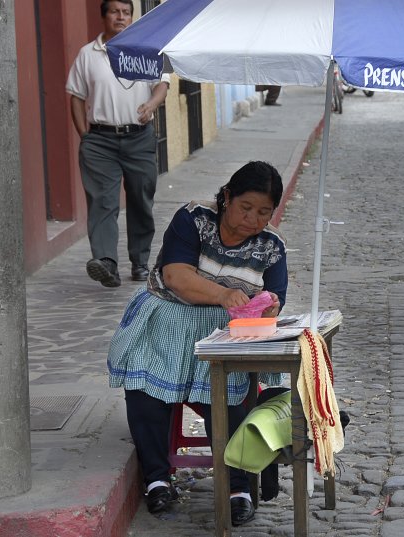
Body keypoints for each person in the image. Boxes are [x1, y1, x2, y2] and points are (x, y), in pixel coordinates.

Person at [106, 161, 288, 526]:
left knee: (229, 394)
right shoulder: (193, 219)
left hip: (226, 330)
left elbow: (274, 299)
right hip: (168, 314)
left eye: (264, 212)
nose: (253, 219)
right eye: (245, 207)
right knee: (145, 388)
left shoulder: (271, 247)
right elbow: (176, 276)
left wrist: (265, 305)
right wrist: (224, 294)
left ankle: (239, 487)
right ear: (226, 198)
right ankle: (157, 479)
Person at [66, 0, 170, 288]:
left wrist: (151, 104)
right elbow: (75, 95)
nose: (120, 17)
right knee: (102, 202)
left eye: (126, 12)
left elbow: (162, 83)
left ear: (132, 17)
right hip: (100, 140)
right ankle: (106, 263)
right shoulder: (88, 55)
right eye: (115, 12)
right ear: (104, 17)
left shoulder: (146, 49)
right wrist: (84, 135)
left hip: (139, 137)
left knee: (140, 198)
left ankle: (139, 262)